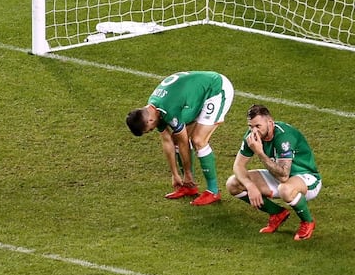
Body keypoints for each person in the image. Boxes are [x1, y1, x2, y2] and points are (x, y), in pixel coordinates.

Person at [126, 71, 234, 205]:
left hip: (215, 89)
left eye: (150, 130)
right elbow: (167, 141)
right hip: (195, 96)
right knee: (176, 137)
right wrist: (174, 174)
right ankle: (189, 187)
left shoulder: (167, 109)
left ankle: (213, 191)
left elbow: (183, 141)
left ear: (149, 121)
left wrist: (187, 173)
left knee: (198, 140)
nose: (152, 130)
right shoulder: (153, 108)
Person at [224, 105, 320, 240]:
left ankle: (308, 221)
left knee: (285, 189)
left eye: (258, 126)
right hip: (278, 176)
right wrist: (250, 186)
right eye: (250, 126)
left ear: (270, 122)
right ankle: (277, 213)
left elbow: (284, 175)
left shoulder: (284, 136)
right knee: (233, 183)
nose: (254, 131)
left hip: (305, 177)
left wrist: (260, 153)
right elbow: (238, 165)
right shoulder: (251, 137)